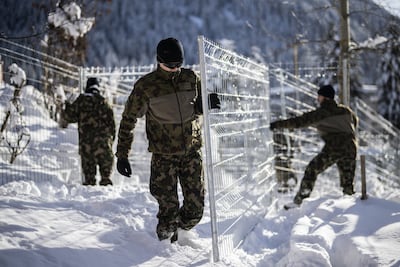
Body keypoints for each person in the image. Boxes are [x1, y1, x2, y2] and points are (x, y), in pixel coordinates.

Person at [115, 37, 220, 241]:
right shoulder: (146, 86)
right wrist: (122, 155)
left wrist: (205, 105)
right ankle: (164, 250)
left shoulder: (191, 78)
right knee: (168, 213)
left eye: (178, 64)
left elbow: (194, 108)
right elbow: (128, 119)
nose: (174, 69)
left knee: (195, 211)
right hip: (164, 158)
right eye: (169, 65)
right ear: (159, 60)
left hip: (191, 153)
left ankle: (179, 235)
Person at [270, 85, 358, 207]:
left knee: (312, 170)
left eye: (319, 96)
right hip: (351, 146)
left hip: (335, 147)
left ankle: (300, 201)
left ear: (324, 97)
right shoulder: (346, 111)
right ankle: (352, 207)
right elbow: (355, 122)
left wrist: (276, 125)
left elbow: (298, 122)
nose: (318, 99)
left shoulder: (322, 113)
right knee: (347, 182)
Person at [62, 77, 115, 186]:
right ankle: (109, 199)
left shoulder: (81, 101)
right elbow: (112, 126)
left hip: (87, 146)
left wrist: (67, 105)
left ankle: (88, 198)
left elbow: (69, 117)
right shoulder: (104, 102)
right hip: (104, 146)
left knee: (89, 181)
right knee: (106, 179)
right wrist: (110, 141)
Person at [272, 128, 297, 193]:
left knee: (282, 145)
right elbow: (293, 174)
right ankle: (278, 130)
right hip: (283, 159)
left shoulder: (282, 180)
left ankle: (277, 130)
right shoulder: (286, 179)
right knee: (283, 145)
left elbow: (293, 174)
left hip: (280, 158)